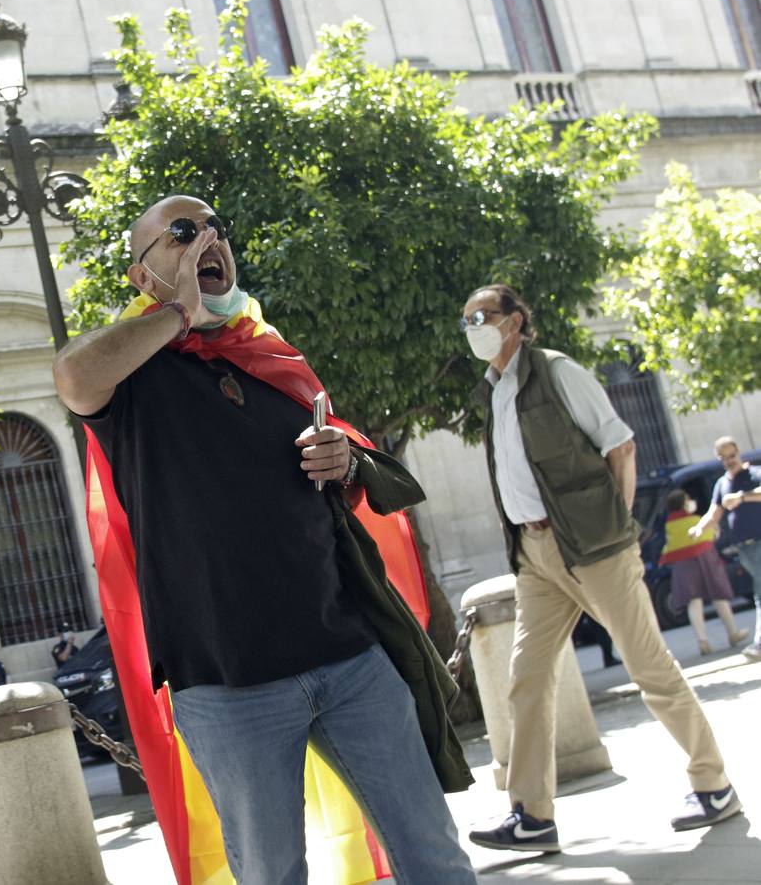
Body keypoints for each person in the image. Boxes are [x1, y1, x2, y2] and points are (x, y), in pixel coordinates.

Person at [52, 194, 476, 884]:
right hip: (226, 680)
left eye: (213, 228)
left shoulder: (267, 353)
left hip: (348, 655)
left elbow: (340, 465)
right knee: (271, 874)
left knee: (432, 853)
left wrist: (344, 458)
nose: (205, 240)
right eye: (181, 234)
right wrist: (174, 313)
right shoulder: (132, 375)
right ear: (142, 275)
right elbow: (71, 375)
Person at [461, 284, 739, 853]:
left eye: (481, 317)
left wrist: (616, 528)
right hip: (535, 556)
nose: (473, 328)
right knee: (527, 681)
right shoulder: (495, 391)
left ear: (514, 321)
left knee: (649, 667)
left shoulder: (558, 372)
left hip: (593, 546)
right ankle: (532, 814)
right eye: (465, 321)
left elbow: (621, 446)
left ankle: (713, 785)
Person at [689, 436, 761, 662]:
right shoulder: (722, 484)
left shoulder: (754, 474)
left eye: (732, 455)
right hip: (744, 549)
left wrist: (742, 497)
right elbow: (715, 512)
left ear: (739, 452)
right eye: (724, 458)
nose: (730, 461)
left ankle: (759, 644)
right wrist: (700, 527)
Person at [660, 489, 748, 655]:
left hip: (683, 565)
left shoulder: (669, 524)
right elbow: (712, 534)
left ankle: (703, 642)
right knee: (719, 597)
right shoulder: (695, 520)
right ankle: (733, 633)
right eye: (687, 499)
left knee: (694, 602)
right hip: (706, 560)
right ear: (682, 503)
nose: (690, 501)